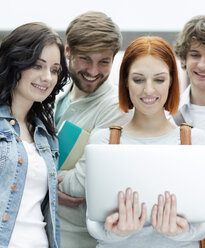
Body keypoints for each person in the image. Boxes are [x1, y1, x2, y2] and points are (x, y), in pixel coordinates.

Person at [79, 36, 205, 248]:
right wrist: (118, 233)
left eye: (159, 80)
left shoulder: (196, 141)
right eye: (138, 80)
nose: (148, 90)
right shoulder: (103, 141)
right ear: (125, 82)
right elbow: (93, 224)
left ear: (171, 82)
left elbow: (203, 225)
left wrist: (177, 233)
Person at [0, 22, 68, 248]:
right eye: (38, 66)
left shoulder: (47, 136)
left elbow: (47, 213)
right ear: (16, 64)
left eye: (54, 69)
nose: (47, 77)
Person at [55, 11, 132, 248]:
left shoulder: (116, 108)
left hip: (77, 238)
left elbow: (80, 184)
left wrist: (37, 179)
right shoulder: (56, 92)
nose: (93, 71)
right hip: (41, 228)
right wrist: (50, 185)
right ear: (68, 51)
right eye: (85, 59)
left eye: (104, 61)